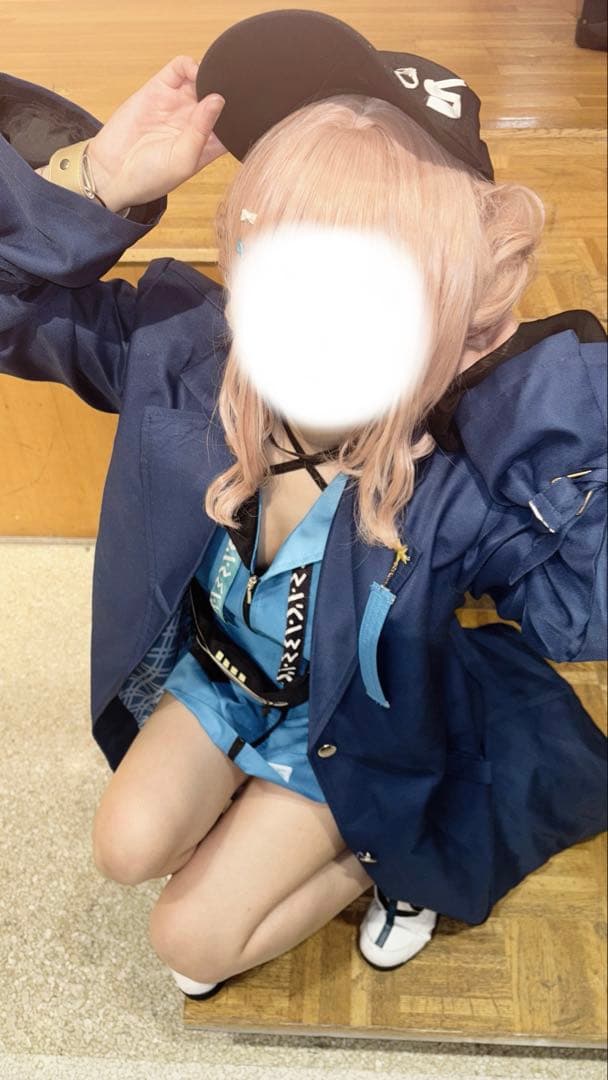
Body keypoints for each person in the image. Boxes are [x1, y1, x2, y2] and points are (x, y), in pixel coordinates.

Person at [1, 10, 606, 1004]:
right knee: (126, 846)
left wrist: (543, 401)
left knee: (191, 942)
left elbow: (579, 609)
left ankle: (391, 858)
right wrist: (95, 181)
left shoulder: (455, 467)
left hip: (358, 729)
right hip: (222, 679)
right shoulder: (186, 358)